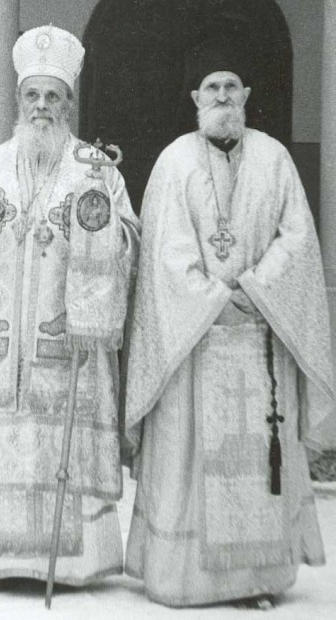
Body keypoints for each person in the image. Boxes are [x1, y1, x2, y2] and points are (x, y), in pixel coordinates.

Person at [123, 41, 335, 609]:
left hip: (262, 336)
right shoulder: (174, 162)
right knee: (193, 457)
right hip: (197, 339)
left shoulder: (274, 160)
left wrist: (256, 288)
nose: (223, 96)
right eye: (212, 87)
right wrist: (215, 295)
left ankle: (257, 578)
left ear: (246, 96)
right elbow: (164, 253)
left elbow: (297, 237)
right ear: (196, 98)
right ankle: (185, 578)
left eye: (231, 87)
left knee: (257, 459)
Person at [0, 25, 140, 586]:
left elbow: (129, 241)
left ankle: (78, 563)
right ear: (18, 99)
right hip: (3, 347)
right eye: (33, 95)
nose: (42, 107)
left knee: (65, 448)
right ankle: (3, 560)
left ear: (70, 103)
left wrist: (101, 232)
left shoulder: (97, 169)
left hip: (67, 341)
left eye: (54, 96)